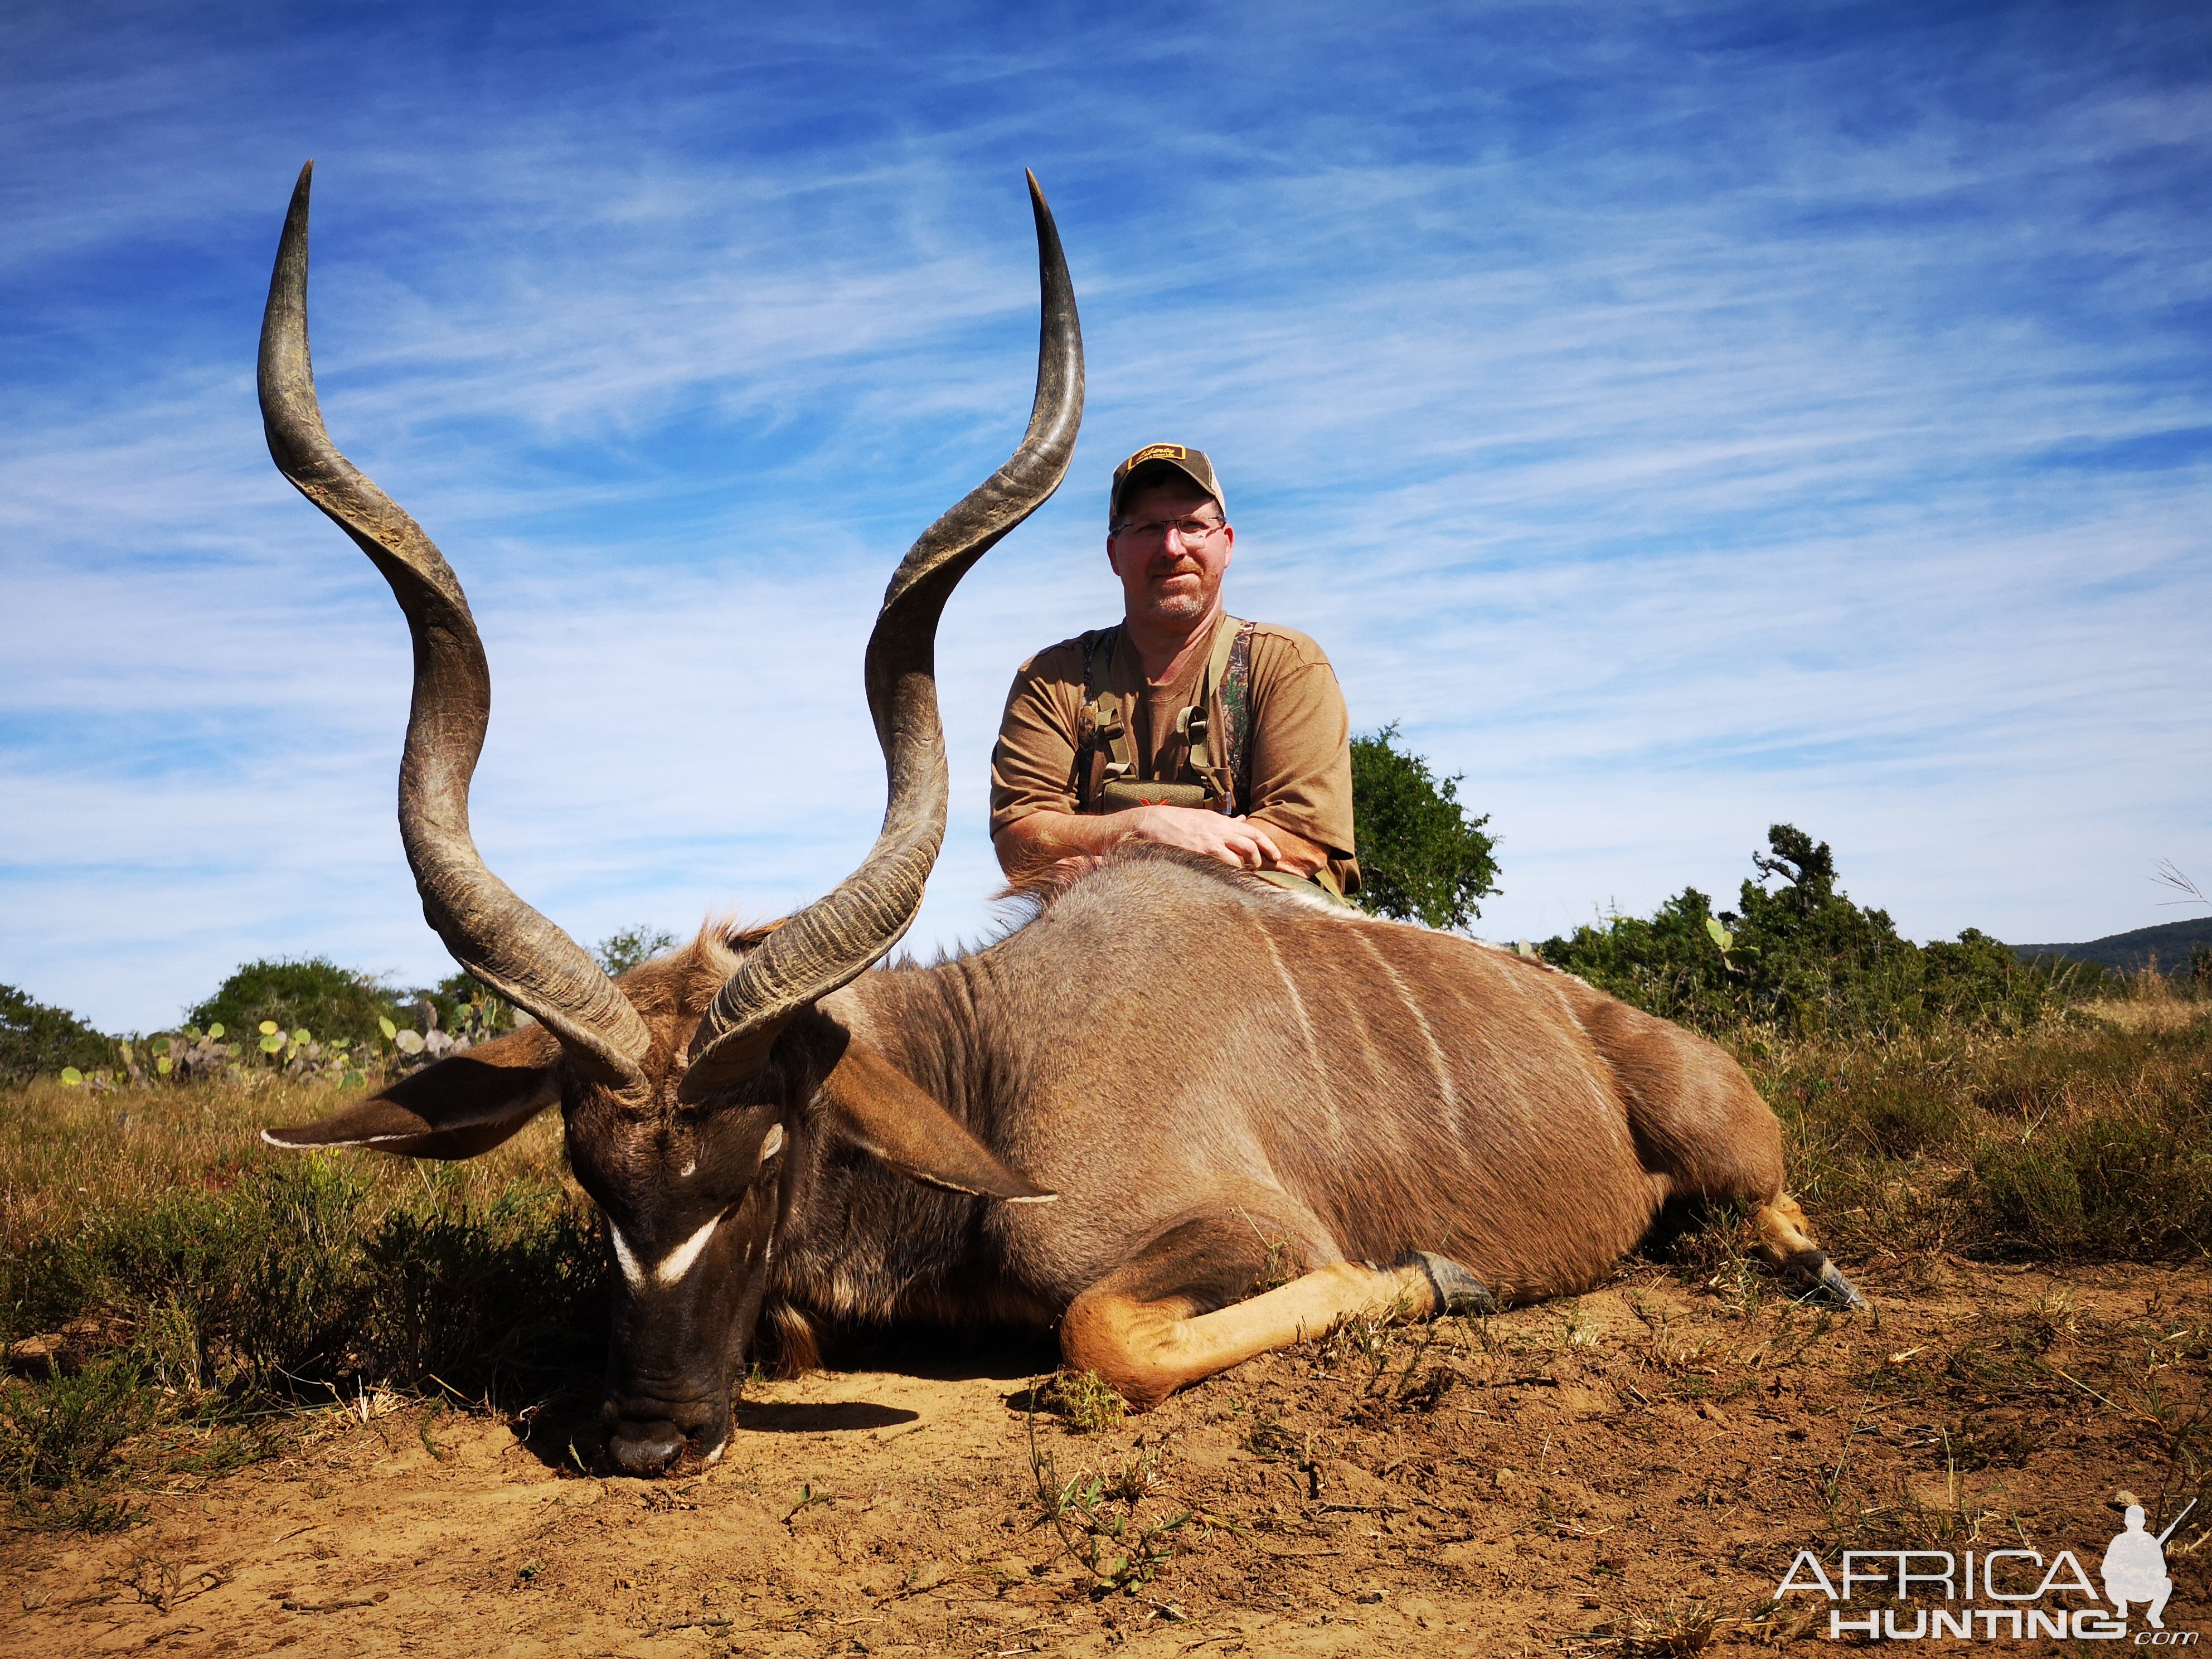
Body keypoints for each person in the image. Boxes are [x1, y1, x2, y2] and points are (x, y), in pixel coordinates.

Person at [990, 442, 1360, 901]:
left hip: (1261, 933)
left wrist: (1106, 856)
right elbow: (1020, 838)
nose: (1172, 546)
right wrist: (1147, 827)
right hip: (1098, 938)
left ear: (1226, 546)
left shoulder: (1288, 665)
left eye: (1192, 525)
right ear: (1113, 553)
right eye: (1147, 528)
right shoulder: (1051, 679)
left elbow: (1301, 843)